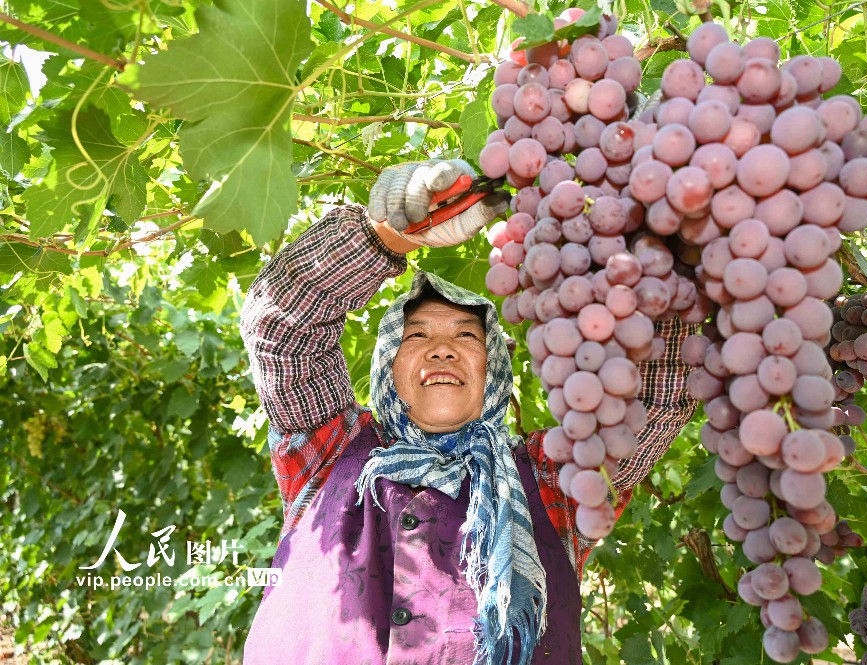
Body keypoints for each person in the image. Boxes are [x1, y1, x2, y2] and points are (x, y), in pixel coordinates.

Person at [239, 159, 696, 665]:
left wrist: (655, 234)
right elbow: (279, 327)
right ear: (387, 370)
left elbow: (655, 396)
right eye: (417, 336)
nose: (442, 349)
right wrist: (386, 236)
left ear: (494, 373)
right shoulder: (329, 454)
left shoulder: (552, 483)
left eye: (465, 336)